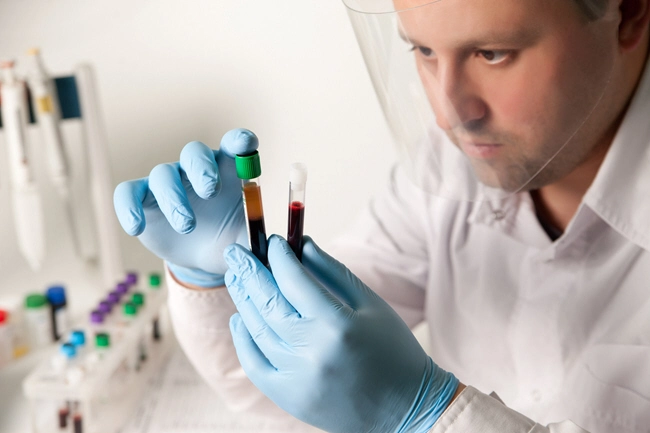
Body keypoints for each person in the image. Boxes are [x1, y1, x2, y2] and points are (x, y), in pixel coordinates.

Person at [113, 0, 650, 431]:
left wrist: (432, 416)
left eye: (492, 53)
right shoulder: (449, 174)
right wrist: (219, 273)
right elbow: (299, 384)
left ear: (626, 14)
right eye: (422, 50)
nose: (448, 114)